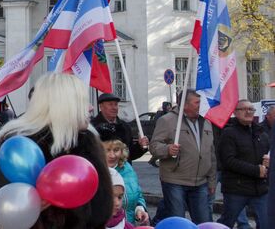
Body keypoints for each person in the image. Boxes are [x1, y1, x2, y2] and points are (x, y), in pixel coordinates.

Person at [0, 73, 113, 229]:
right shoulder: (25, 153)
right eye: (82, 102)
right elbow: (4, 215)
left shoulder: (88, 144)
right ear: (63, 106)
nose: (90, 108)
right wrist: (31, 207)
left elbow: (100, 211)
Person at [149, 89, 215, 223]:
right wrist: (167, 149)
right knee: (178, 222)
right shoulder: (167, 120)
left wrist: (212, 180)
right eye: (197, 102)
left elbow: (211, 154)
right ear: (185, 105)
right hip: (175, 181)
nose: (200, 105)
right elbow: (154, 146)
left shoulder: (206, 122)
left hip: (200, 182)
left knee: (204, 222)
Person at [217, 99, 269, 227]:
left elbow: (267, 155)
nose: (248, 112)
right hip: (236, 188)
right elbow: (229, 161)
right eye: (244, 109)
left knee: (266, 224)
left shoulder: (261, 133)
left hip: (259, 189)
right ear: (235, 112)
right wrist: (256, 170)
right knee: (226, 223)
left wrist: (269, 162)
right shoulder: (229, 133)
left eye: (251, 109)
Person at [97, 127, 149, 226]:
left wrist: (139, 209)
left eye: (116, 150)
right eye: (107, 150)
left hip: (128, 225)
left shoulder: (127, 168)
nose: (112, 155)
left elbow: (137, 194)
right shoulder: (94, 171)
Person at [91, 93, 149, 162]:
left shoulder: (125, 126)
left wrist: (140, 146)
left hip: (123, 171)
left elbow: (130, 154)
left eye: (116, 104)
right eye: (110, 104)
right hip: (103, 170)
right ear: (101, 106)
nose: (114, 107)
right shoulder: (93, 127)